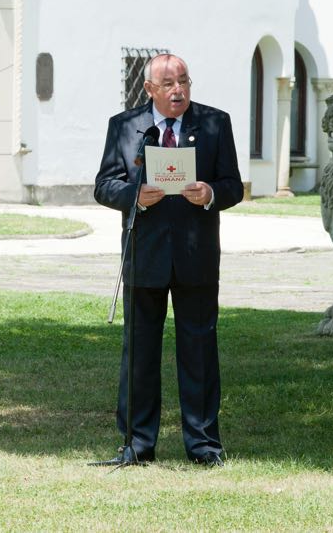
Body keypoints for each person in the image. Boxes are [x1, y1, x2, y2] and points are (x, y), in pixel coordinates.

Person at [94, 53, 243, 467]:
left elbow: (233, 185)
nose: (178, 91)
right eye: (169, 84)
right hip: (145, 254)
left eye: (184, 81)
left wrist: (210, 193)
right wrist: (132, 197)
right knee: (139, 353)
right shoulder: (125, 128)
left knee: (199, 351)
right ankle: (138, 444)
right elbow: (104, 185)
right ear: (149, 90)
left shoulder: (214, 124)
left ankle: (203, 445)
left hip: (196, 256)